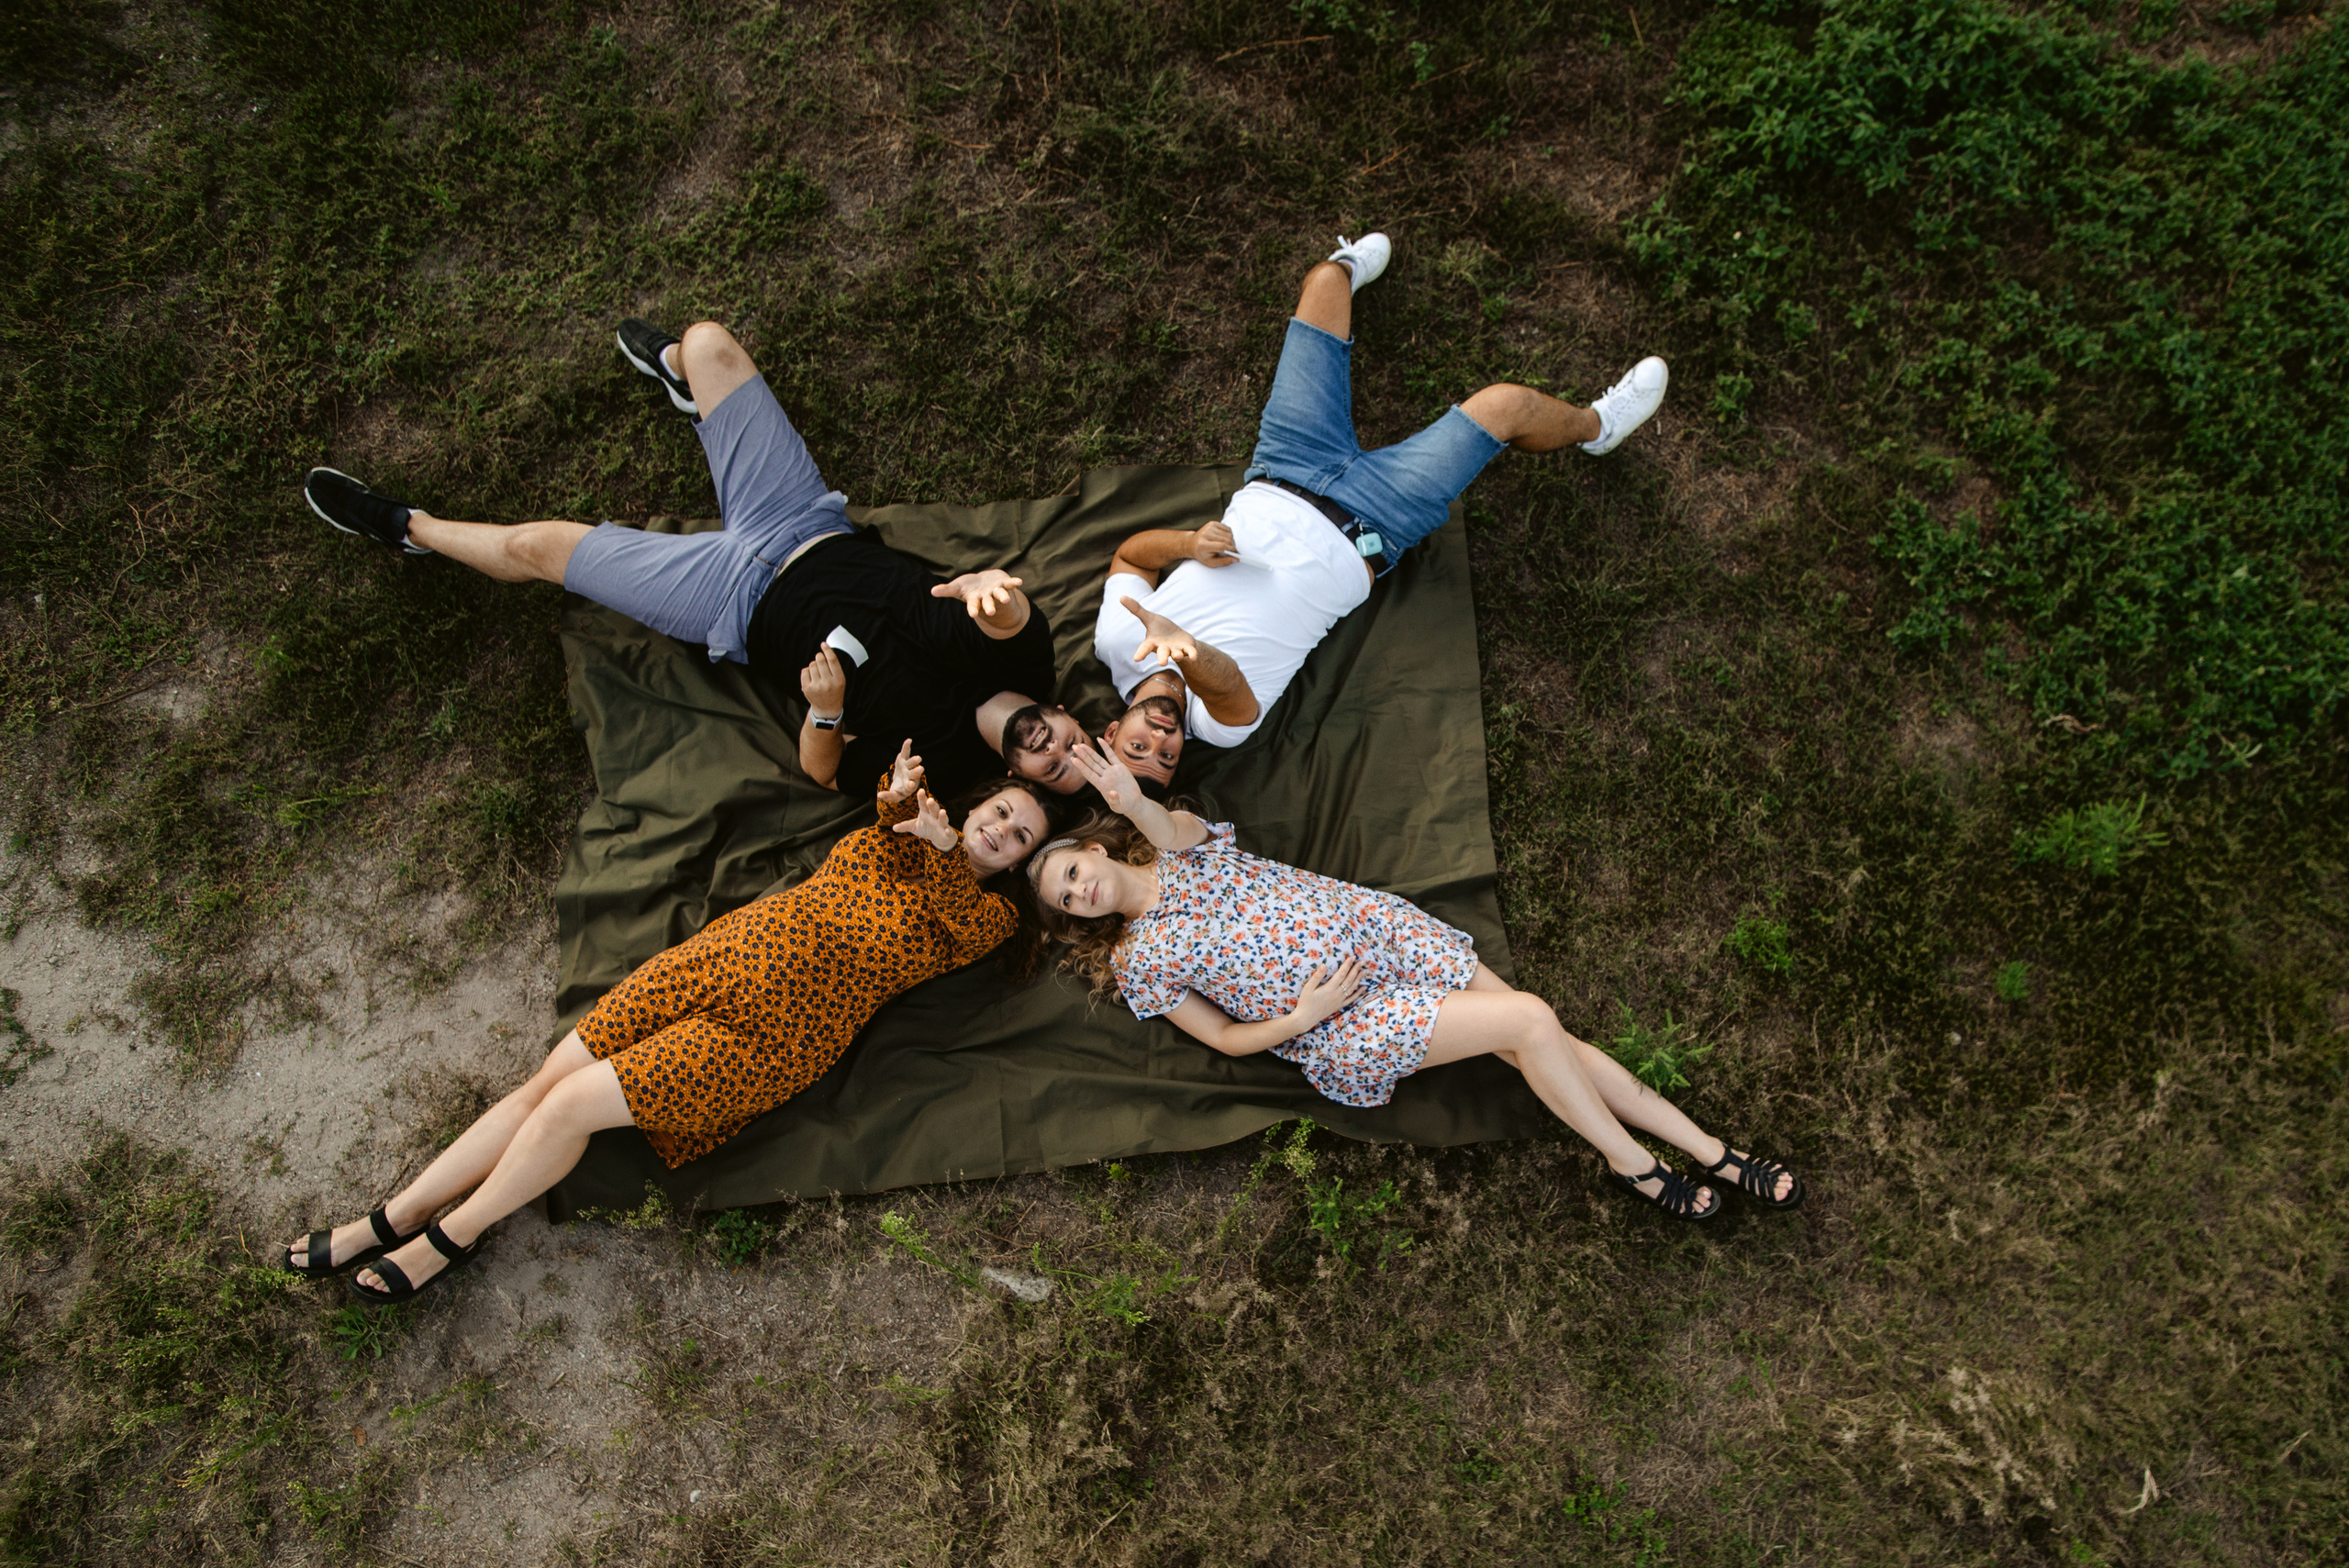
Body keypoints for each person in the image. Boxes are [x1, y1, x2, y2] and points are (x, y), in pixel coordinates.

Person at [282, 751, 1063, 1303]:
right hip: (708, 964)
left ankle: (443, 1239)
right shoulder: (903, 831)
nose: (1003, 829)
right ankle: (390, 1214)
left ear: (1024, 861)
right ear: (977, 803)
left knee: (567, 1107)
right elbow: (893, 810)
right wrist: (904, 790)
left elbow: (953, 900)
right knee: (543, 1085)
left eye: (1021, 834)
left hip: (771, 1035)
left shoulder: (986, 917)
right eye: (1001, 810)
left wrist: (940, 846)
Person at [302, 319, 1090, 799]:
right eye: (1064, 745)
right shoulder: (1027, 661)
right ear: (1064, 720)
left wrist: (823, 710)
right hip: (803, 522)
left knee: (536, 547)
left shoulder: (941, 767)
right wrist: (994, 594)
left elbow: (825, 773)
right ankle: (684, 376)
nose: (1048, 750)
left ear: (1022, 779)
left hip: (731, 603)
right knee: (710, 342)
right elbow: (1011, 616)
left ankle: (408, 527)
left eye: (1049, 771)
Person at [1025, 745, 1802, 1220]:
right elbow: (1224, 1037)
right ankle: (1632, 1162)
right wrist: (1303, 1016)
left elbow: (1176, 829)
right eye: (1064, 900)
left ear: (1091, 850)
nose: (1076, 891)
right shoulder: (1138, 961)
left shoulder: (1176, 849)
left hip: (1385, 934)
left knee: (1541, 1040)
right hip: (1342, 1022)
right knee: (1530, 1021)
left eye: (1070, 872)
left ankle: (1712, 1149)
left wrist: (1133, 803)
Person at [1013, 233, 1671, 795]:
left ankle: (1349, 265)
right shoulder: (1223, 724)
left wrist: (1187, 543)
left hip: (1285, 465)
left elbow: (1128, 556)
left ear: (1110, 730)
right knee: (1506, 407)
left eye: (1137, 750)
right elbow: (1225, 677)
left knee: (1325, 279)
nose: (1159, 743)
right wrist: (1177, 641)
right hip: (1370, 523)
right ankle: (1597, 425)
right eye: (1166, 759)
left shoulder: (1113, 646)